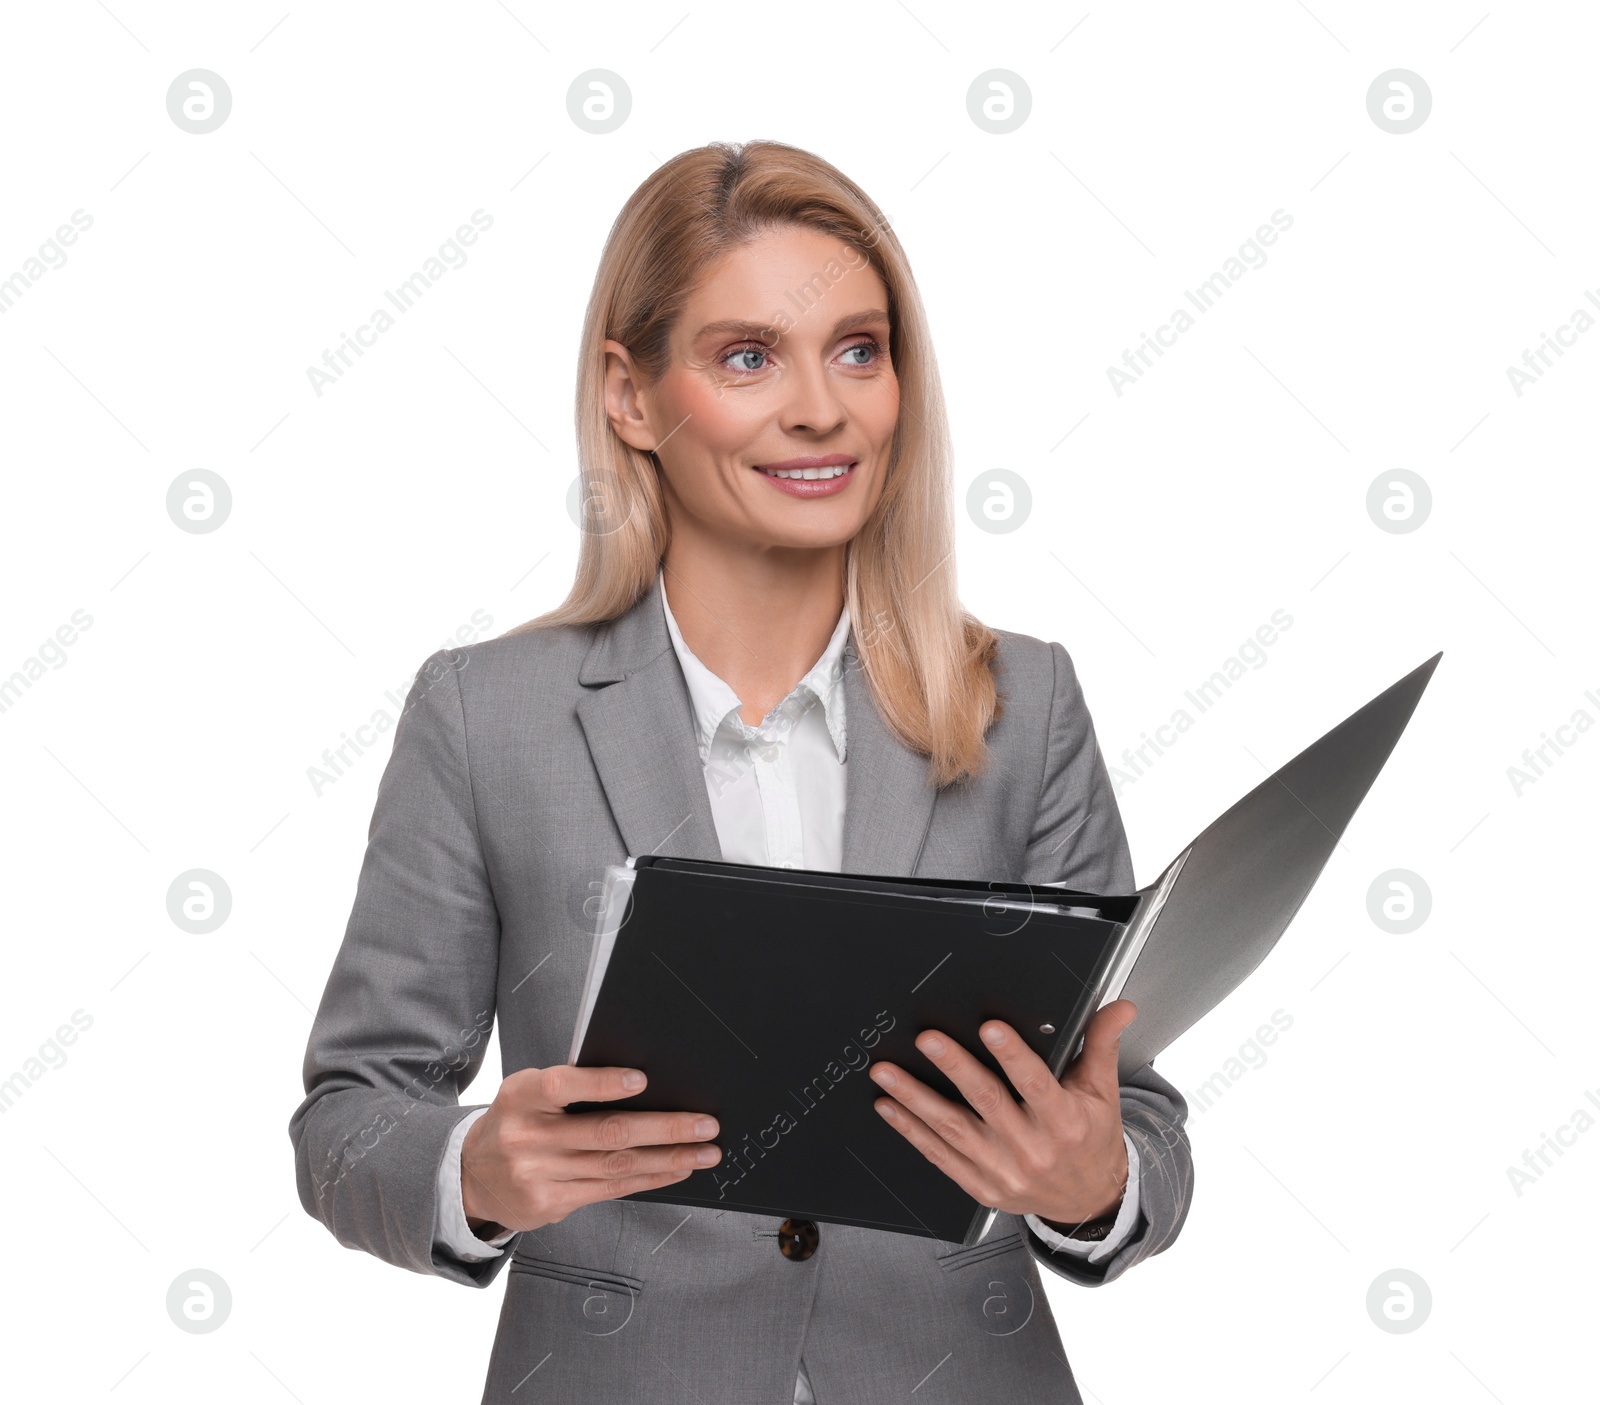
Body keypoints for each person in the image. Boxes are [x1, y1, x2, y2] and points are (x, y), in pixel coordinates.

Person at [289, 138, 1193, 1405]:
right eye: (748, 357)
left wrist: (1093, 1186)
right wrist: (475, 1174)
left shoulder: (1022, 701)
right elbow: (348, 1116)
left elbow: (1136, 1111)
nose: (821, 408)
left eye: (860, 351)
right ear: (632, 395)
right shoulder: (484, 717)